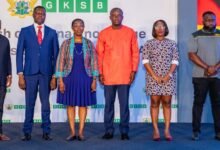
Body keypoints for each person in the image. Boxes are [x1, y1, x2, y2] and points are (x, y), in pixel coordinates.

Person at [16, 5, 59, 141]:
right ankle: (27, 132)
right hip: (29, 73)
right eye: (38, 13)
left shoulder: (52, 32)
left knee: (45, 104)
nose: (40, 15)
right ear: (33, 15)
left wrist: (54, 77)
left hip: (46, 74)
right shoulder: (25, 31)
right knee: (29, 104)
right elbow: (19, 54)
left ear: (45, 15)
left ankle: (46, 131)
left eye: (43, 13)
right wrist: (20, 75)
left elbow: (56, 56)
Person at [96, 7, 139, 140]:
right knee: (108, 105)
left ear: (122, 17)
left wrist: (133, 70)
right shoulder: (104, 33)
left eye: (118, 15)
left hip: (125, 74)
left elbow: (135, 53)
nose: (116, 18)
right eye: (114, 15)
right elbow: (100, 55)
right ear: (110, 17)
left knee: (124, 105)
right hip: (108, 74)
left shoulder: (130, 32)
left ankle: (124, 131)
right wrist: (100, 72)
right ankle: (109, 131)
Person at [56, 18, 98, 141]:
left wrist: (94, 80)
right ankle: (72, 132)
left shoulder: (89, 43)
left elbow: (94, 62)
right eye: (76, 26)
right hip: (69, 77)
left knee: (83, 104)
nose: (79, 28)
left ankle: (81, 132)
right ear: (72, 28)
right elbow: (60, 62)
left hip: (86, 78)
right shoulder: (66, 43)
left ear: (84, 28)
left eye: (81, 26)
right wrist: (61, 81)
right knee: (70, 104)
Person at [142, 20, 179, 141]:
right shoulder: (148, 43)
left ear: (165, 28)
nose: (160, 28)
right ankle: (156, 130)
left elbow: (175, 61)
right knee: (154, 103)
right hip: (153, 78)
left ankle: (167, 130)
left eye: (162, 26)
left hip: (169, 77)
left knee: (167, 103)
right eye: (157, 26)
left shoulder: (172, 43)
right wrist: (154, 76)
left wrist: (168, 75)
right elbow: (145, 61)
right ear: (154, 29)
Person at [188, 11, 220, 141]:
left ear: (216, 20)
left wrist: (215, 67)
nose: (210, 22)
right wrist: (207, 67)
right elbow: (191, 55)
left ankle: (218, 132)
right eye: (207, 20)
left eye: (212, 19)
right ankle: (196, 131)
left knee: (217, 104)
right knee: (198, 103)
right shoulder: (195, 35)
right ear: (202, 21)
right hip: (200, 76)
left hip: (217, 76)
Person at [0, 34, 12, 141]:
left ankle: (0, 133)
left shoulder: (4, 40)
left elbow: (8, 59)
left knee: (0, 107)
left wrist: (9, 75)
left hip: (1, 79)